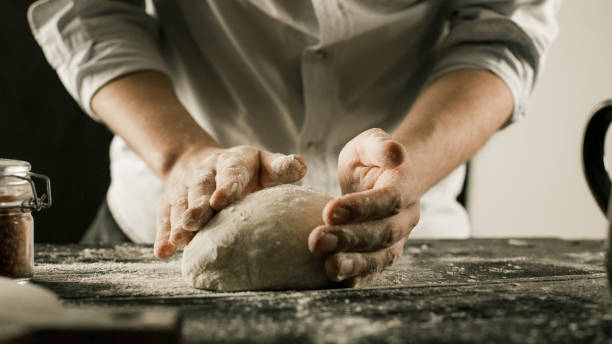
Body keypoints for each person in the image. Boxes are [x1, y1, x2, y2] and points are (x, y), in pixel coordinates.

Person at [28, 0, 559, 286]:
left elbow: (499, 31)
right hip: (168, 215)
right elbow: (86, 9)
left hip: (410, 238)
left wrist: (409, 164)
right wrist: (181, 154)